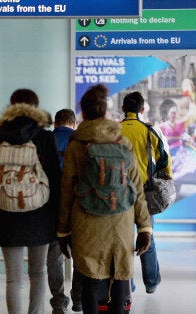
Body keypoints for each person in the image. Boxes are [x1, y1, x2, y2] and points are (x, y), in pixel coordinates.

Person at [58, 84, 152, 314]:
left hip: (86, 220)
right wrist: (144, 228)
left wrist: (62, 231)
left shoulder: (76, 144)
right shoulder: (122, 141)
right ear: (105, 112)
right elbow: (136, 188)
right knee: (120, 274)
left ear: (84, 112)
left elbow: (67, 190)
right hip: (120, 217)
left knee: (90, 278)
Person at [0, 89, 61, 313]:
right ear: (35, 108)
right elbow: (55, 179)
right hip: (40, 213)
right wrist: (59, 218)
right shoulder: (44, 137)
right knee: (38, 272)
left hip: (7, 211)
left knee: (13, 279)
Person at [120, 92, 172, 295]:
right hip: (145, 192)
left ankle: (127, 284)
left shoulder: (115, 130)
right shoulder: (151, 131)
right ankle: (151, 283)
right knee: (147, 235)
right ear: (142, 110)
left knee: (123, 239)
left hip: (120, 191)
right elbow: (164, 160)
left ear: (124, 109)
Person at [49, 108, 77, 313]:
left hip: (51, 207)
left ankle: (59, 301)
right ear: (73, 124)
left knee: (54, 256)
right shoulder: (80, 141)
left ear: (55, 124)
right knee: (81, 253)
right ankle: (79, 297)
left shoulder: (45, 141)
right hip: (77, 206)